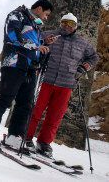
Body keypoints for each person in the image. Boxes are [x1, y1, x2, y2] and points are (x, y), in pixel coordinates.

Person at [0, 0, 53, 149]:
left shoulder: (35, 26)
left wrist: (45, 45)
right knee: (6, 96)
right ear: (39, 8)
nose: (46, 18)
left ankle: (15, 136)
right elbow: (12, 36)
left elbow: (36, 48)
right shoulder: (17, 15)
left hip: (30, 67)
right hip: (14, 63)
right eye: (46, 14)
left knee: (25, 104)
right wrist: (37, 46)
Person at [24, 13, 99, 158]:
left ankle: (44, 143)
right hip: (46, 80)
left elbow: (94, 57)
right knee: (36, 110)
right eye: (64, 23)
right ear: (60, 23)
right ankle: (26, 137)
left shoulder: (82, 43)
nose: (66, 26)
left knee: (55, 115)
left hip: (67, 83)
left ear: (76, 26)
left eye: (70, 24)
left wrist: (83, 68)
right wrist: (44, 45)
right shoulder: (49, 35)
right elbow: (33, 42)